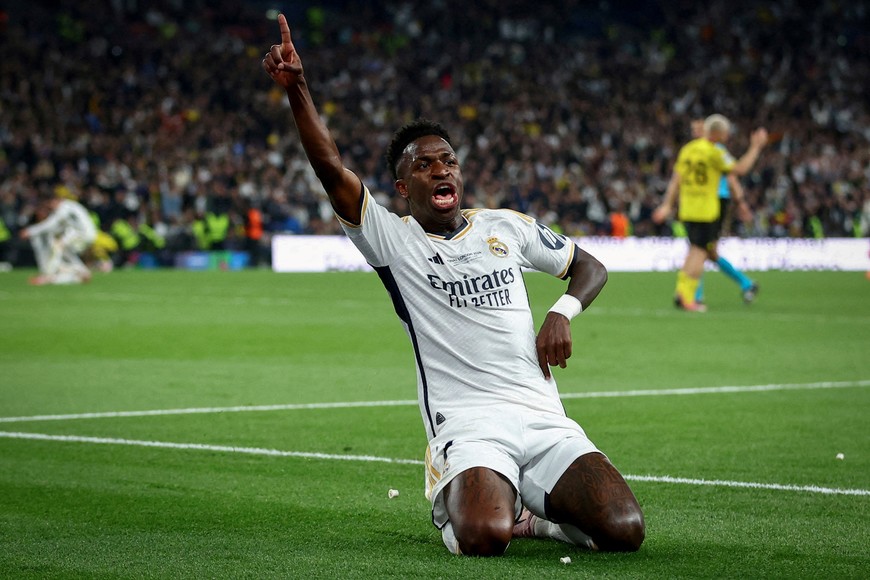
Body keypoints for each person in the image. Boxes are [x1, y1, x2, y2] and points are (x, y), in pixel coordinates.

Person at [263, 15, 644, 556]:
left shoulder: (504, 226)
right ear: (402, 186)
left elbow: (591, 268)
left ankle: (536, 521)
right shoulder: (393, 242)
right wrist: (298, 87)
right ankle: (476, 499)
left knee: (625, 529)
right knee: (483, 538)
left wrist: (561, 311)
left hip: (541, 416)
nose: (441, 170)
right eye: (425, 165)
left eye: (449, 161)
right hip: (466, 425)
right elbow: (330, 168)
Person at [653, 115, 768, 312]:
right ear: (717, 133)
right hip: (708, 210)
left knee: (698, 251)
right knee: (701, 252)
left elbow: (676, 179)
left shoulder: (687, 150)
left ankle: (685, 293)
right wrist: (756, 147)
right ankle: (690, 297)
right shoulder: (716, 152)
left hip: (687, 209)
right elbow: (737, 171)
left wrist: (667, 205)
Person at [20, 191, 97, 285]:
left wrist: (30, 231)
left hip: (82, 234)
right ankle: (82, 272)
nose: (51, 207)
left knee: (57, 246)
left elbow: (51, 224)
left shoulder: (64, 208)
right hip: (84, 233)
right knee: (63, 248)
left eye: (50, 204)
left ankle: (48, 275)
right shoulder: (71, 206)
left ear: (56, 200)